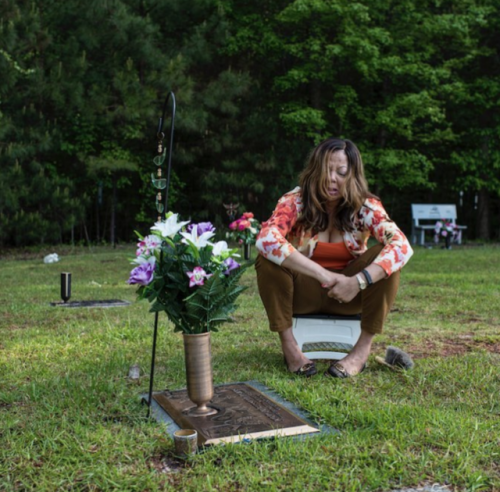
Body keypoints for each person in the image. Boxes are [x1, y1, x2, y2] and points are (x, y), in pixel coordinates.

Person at [255, 137, 413, 378]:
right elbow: (266, 239)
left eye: (341, 172)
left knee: (387, 257)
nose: (331, 179)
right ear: (314, 171)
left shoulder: (366, 207)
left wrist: (357, 281)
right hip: (302, 292)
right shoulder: (295, 201)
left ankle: (360, 353)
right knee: (267, 257)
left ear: (352, 175)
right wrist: (324, 274)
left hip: (350, 295)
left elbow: (402, 245)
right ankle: (291, 349)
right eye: (325, 170)